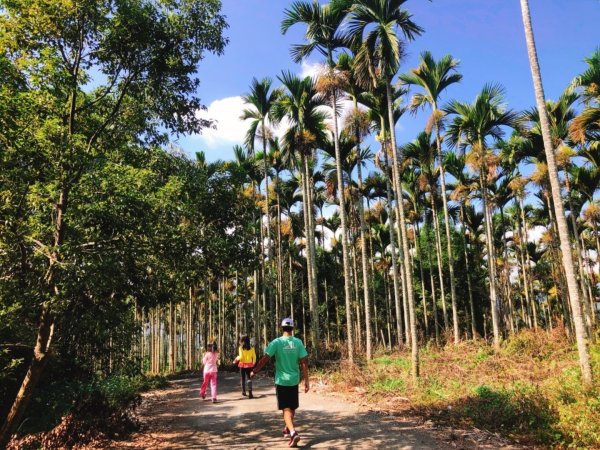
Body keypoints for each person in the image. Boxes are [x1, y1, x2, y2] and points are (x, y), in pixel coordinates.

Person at [251, 318, 309, 448]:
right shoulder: (298, 342)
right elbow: (304, 362)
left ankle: (293, 433)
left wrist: (255, 371)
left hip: (282, 380)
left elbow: (265, 359)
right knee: (292, 407)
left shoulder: (276, 343)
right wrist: (307, 381)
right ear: (292, 328)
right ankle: (288, 428)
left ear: (281, 328)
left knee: (286, 409)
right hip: (294, 380)